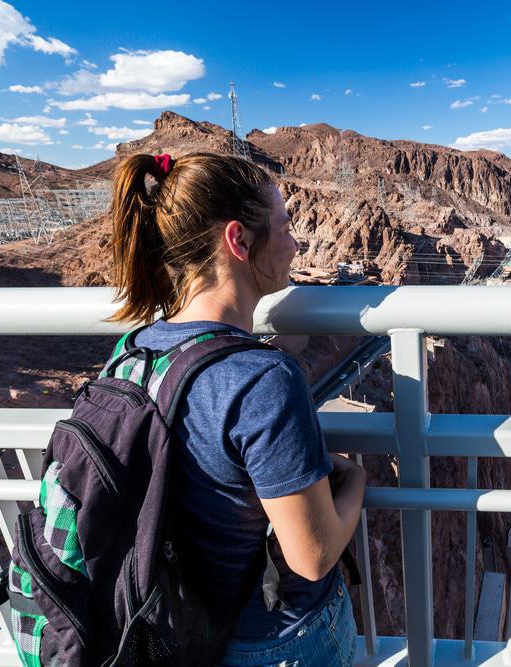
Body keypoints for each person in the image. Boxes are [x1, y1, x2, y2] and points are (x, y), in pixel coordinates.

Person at [108, 151, 365, 666]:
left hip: (170, 628)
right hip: (274, 641)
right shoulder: (263, 380)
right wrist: (355, 478)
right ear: (239, 241)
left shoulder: (132, 351)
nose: (295, 244)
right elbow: (313, 556)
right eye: (285, 227)